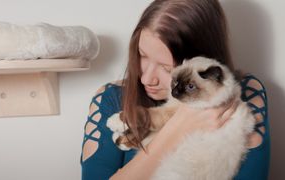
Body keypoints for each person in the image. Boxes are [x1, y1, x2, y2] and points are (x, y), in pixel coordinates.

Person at [80, 0, 270, 179]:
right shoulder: (111, 98)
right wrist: (176, 129)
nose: (146, 78)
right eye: (142, 55)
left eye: (166, 68)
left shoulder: (245, 94)